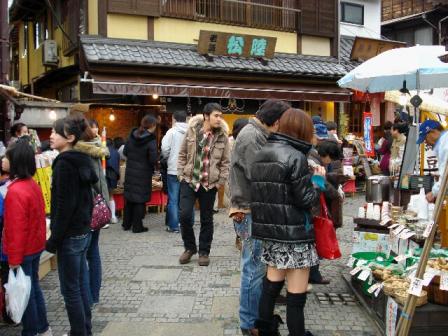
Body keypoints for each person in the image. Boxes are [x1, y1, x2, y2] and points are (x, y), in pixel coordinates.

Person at [251, 108, 321, 336]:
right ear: (302, 129)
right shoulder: (296, 156)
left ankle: (264, 331)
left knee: (270, 289)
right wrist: (318, 180)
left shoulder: (262, 152)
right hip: (295, 235)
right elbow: (306, 200)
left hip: (272, 235)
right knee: (296, 297)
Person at [229, 99, 290, 335]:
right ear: (275, 121)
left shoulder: (255, 132)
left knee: (256, 266)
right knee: (253, 268)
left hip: (253, 208)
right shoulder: (252, 136)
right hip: (249, 209)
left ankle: (253, 316)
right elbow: (261, 176)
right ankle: (249, 322)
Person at [46, 114, 98, 336]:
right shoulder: (81, 159)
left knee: (71, 290)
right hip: (83, 231)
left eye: (54, 132)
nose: (50, 136)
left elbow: (63, 206)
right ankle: (85, 328)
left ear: (69, 137)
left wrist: (53, 239)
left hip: (70, 235)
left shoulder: (64, 165)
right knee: (80, 284)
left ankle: (79, 331)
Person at [2, 140, 51, 336]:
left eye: (6, 156)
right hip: (34, 246)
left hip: (23, 251)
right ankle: (43, 327)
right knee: (34, 288)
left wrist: (13, 259)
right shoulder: (31, 184)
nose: (3, 160)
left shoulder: (15, 190)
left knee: (26, 293)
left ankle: (31, 331)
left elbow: (15, 228)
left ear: (15, 161)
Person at [177, 103, 230, 266]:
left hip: (209, 184)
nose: (219, 119)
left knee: (207, 219)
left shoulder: (222, 136)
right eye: (216, 115)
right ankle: (189, 248)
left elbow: (226, 162)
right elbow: (182, 153)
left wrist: (219, 182)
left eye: (221, 116)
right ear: (206, 116)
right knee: (184, 216)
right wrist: (181, 174)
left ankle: (204, 252)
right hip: (189, 180)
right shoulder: (192, 131)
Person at [74, 119, 109, 306]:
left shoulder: (82, 153)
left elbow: (93, 181)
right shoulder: (96, 147)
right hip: (98, 206)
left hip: (88, 208)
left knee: (85, 253)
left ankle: (88, 296)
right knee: (93, 252)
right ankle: (93, 295)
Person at [122, 114, 158, 233]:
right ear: (152, 125)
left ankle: (126, 224)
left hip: (130, 170)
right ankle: (137, 226)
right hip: (143, 172)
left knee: (130, 198)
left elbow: (125, 152)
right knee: (139, 199)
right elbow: (153, 159)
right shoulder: (151, 139)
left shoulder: (132, 135)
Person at [161, 110, 189, 233]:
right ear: (186, 119)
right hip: (188, 170)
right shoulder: (191, 132)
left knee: (173, 199)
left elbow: (165, 149)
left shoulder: (171, 132)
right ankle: (188, 224)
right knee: (187, 198)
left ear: (174, 119)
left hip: (173, 169)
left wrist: (168, 158)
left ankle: (173, 226)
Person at [226, 118, 249, 251]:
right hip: (233, 181)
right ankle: (239, 235)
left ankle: (242, 235)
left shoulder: (250, 141)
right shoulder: (230, 143)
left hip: (244, 180)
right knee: (236, 210)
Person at [416, 120, 447, 203]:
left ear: (433, 132)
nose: (426, 142)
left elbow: (446, 176)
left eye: (425, 138)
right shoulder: (443, 142)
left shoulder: (445, 145)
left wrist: (433, 193)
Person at [106, 138, 120, 224]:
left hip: (106, 174)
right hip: (114, 175)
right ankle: (113, 217)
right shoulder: (116, 152)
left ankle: (104, 218)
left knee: (103, 197)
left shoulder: (103, 151)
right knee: (111, 195)